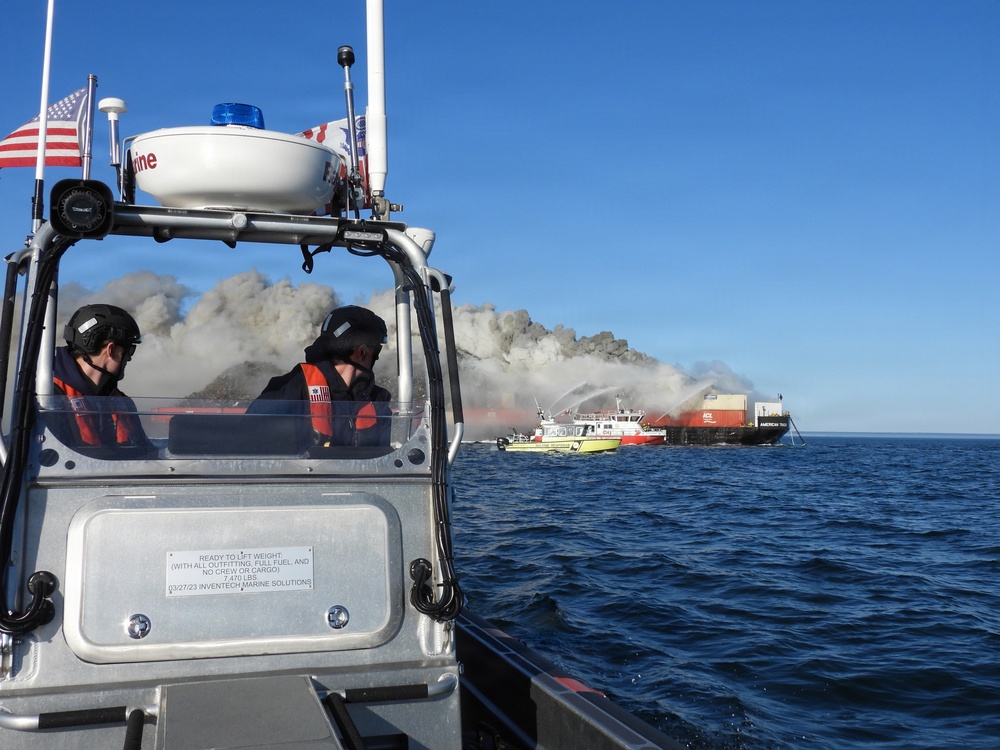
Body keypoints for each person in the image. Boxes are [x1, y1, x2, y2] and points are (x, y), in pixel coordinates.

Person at [248, 305, 392, 447]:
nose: (377, 358)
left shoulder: (378, 401)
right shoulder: (292, 389)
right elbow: (245, 442)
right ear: (362, 352)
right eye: (377, 350)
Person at [51, 304, 152, 450]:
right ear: (111, 349)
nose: (129, 358)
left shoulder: (122, 402)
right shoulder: (50, 396)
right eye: (130, 349)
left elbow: (146, 454)